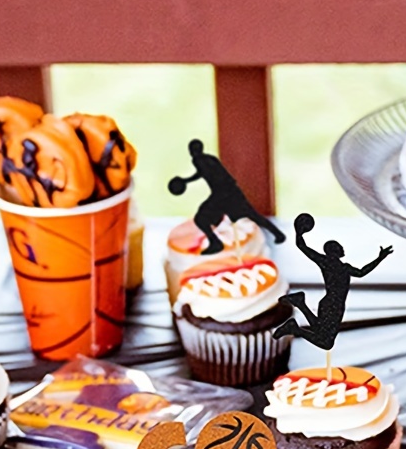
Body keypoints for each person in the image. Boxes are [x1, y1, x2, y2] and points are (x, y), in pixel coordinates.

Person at [273, 213, 393, 350]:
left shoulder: (326, 262)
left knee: (321, 333)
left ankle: (300, 304)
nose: (342, 248)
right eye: (338, 247)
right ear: (334, 251)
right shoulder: (341, 267)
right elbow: (362, 272)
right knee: (326, 342)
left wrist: (299, 233)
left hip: (329, 302)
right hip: (334, 304)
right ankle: (296, 323)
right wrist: (380, 258)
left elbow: (302, 246)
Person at [168, 139, 284, 254]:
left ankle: (215, 243)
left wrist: (185, 181)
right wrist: (186, 181)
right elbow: (204, 173)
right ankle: (277, 233)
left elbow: (205, 172)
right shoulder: (210, 159)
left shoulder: (199, 161)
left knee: (202, 219)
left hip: (222, 194)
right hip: (230, 191)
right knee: (251, 214)